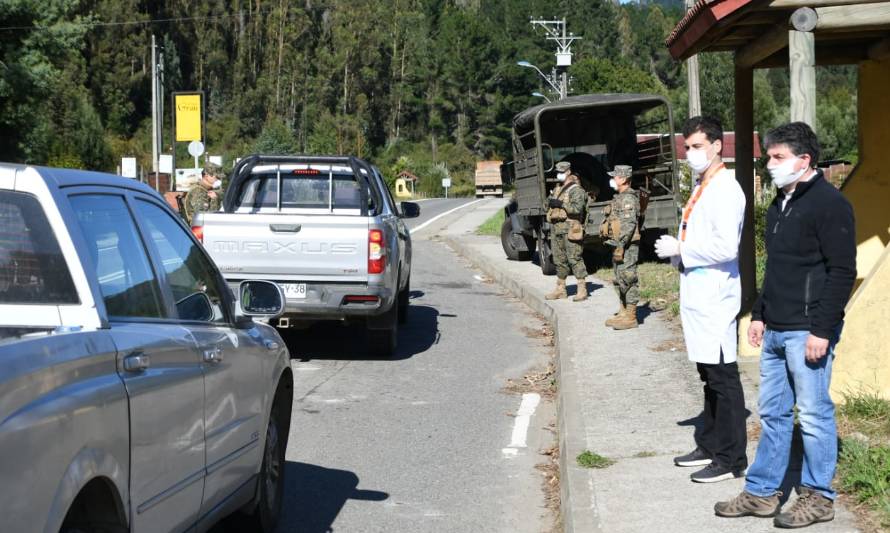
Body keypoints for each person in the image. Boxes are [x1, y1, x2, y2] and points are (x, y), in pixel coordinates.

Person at [715, 122, 856, 528]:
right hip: (776, 327)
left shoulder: (829, 205)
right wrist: (759, 313)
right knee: (773, 413)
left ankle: (819, 497)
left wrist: (822, 330)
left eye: (777, 158)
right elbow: (776, 269)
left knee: (812, 415)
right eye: (769, 157)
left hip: (808, 329)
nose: (770, 165)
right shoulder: (781, 204)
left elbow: (842, 271)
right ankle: (761, 494)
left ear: (804, 160)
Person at [655, 116, 748, 482]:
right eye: (687, 147)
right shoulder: (702, 185)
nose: (690, 153)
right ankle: (710, 443)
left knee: (723, 377)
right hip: (698, 292)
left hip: (716, 294)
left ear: (716, 146)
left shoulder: (726, 188)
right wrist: (680, 253)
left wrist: (683, 248)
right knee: (707, 374)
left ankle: (731, 457)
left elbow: (726, 246)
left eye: (696, 146)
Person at [602, 164, 640, 330]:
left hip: (626, 245)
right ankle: (623, 311)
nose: (613, 179)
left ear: (623, 179)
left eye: (615, 177)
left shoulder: (628, 198)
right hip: (618, 244)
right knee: (619, 278)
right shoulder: (619, 196)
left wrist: (621, 245)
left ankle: (631, 316)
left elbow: (628, 225)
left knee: (628, 277)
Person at [544, 161, 589, 302]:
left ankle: (582, 289)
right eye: (558, 172)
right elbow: (548, 205)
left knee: (574, 258)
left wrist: (561, 204)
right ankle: (560, 289)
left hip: (571, 229)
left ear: (568, 172)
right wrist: (551, 202)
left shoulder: (576, 190)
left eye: (561, 172)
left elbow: (577, 209)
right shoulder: (558, 189)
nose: (559, 175)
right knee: (559, 260)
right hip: (557, 228)